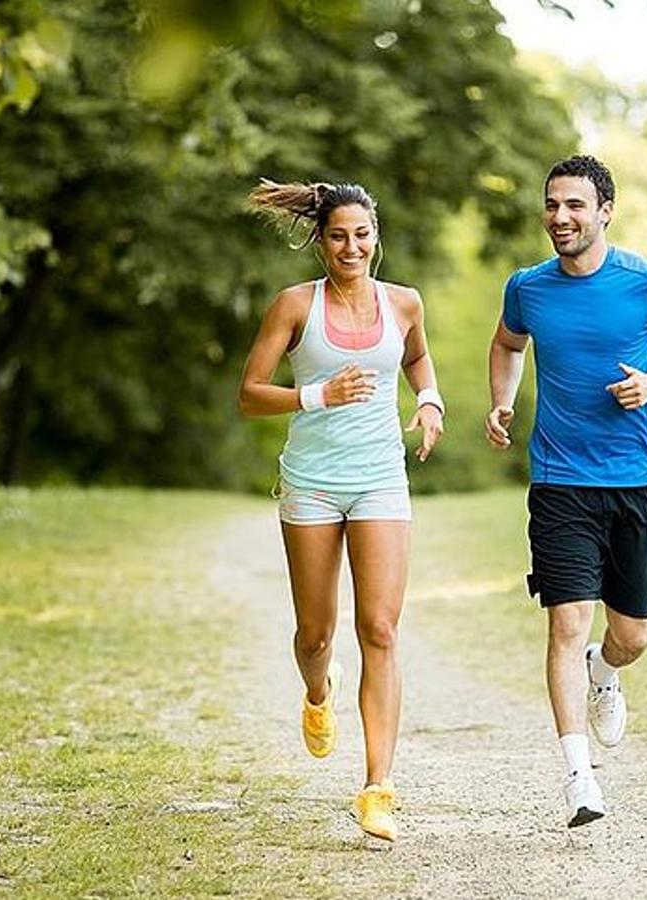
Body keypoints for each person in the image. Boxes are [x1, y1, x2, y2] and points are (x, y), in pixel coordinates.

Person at [485, 155, 647, 827]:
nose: (560, 217)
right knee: (565, 621)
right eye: (552, 205)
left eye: (575, 206)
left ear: (605, 211)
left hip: (633, 481)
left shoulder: (646, 282)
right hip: (559, 483)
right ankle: (579, 778)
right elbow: (507, 345)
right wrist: (502, 401)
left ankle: (605, 672)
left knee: (632, 636)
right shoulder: (528, 287)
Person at [238, 179, 445, 842]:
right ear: (321, 241)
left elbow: (415, 357)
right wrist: (317, 394)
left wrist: (431, 400)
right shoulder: (295, 305)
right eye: (338, 235)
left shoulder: (404, 303)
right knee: (315, 636)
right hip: (313, 483)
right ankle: (318, 692)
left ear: (375, 236)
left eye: (362, 234)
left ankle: (378, 787)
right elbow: (249, 394)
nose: (351, 246)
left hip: (381, 478)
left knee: (380, 629)